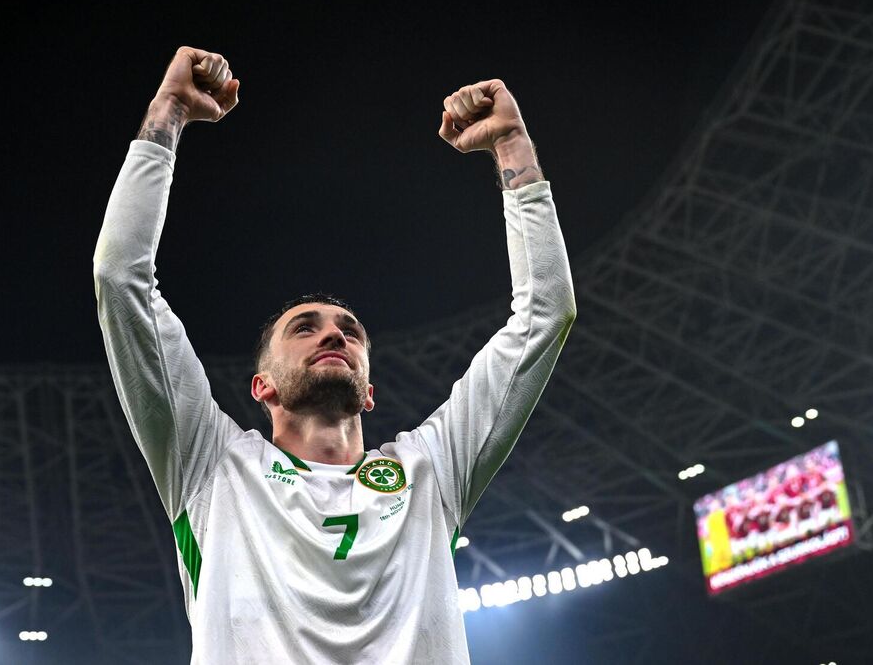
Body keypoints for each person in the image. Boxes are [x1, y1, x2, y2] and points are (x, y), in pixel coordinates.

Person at [93, 46, 576, 664]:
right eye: (305, 328)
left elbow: (545, 314)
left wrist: (512, 145)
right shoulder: (210, 467)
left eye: (349, 331)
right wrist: (167, 112)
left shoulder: (430, 472)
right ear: (262, 386)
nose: (334, 336)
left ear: (369, 393)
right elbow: (120, 278)